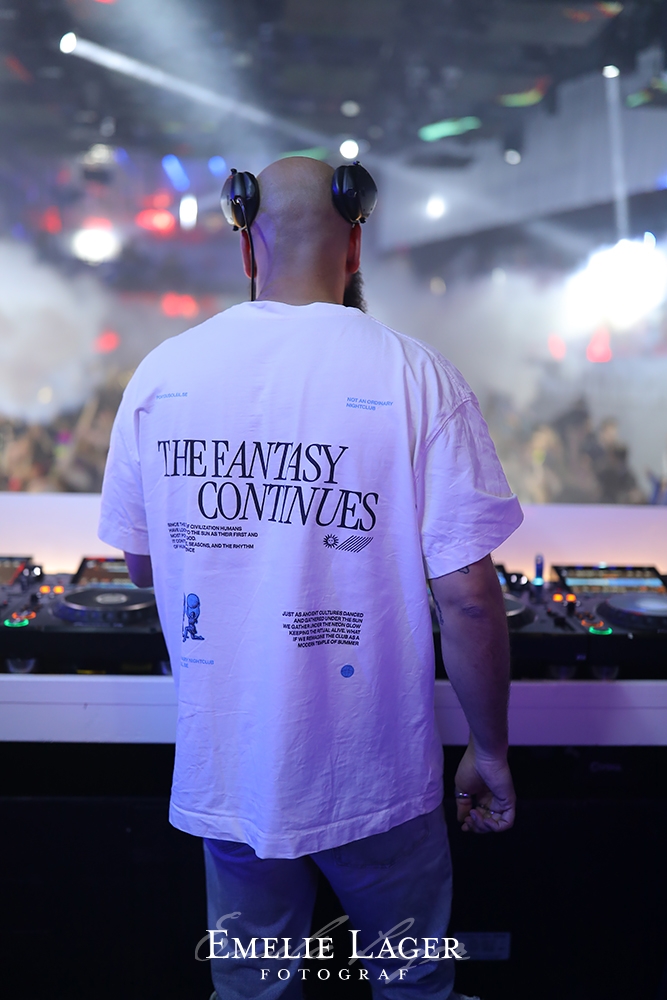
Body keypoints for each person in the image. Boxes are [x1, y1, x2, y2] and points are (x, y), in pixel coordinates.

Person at [99, 156, 523, 1000]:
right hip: (377, 777)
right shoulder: (416, 376)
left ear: (245, 246)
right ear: (354, 244)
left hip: (231, 770)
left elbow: (142, 563)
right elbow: (469, 599)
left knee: (251, 991)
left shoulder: (162, 375)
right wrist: (490, 752)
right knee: (410, 986)